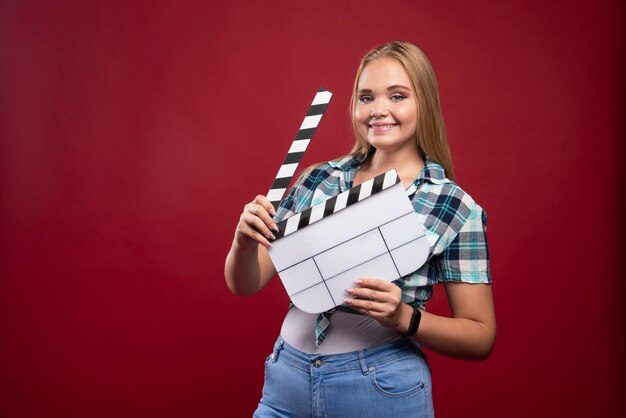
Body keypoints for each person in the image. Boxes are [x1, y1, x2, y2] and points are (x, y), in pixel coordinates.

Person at [224, 40, 496, 417]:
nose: (379, 110)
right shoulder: (318, 180)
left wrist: (406, 318)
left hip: (378, 389)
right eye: (366, 97)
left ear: (424, 104)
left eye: (397, 96)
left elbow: (480, 336)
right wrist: (242, 242)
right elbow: (246, 283)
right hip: (285, 380)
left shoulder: (453, 205)